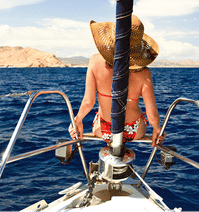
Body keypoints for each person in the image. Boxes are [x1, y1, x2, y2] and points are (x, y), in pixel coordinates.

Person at [69, 15, 166, 147]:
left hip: (104, 130)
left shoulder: (94, 61)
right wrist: (157, 130)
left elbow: (88, 102)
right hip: (135, 130)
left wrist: (77, 120)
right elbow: (152, 114)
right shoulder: (144, 73)